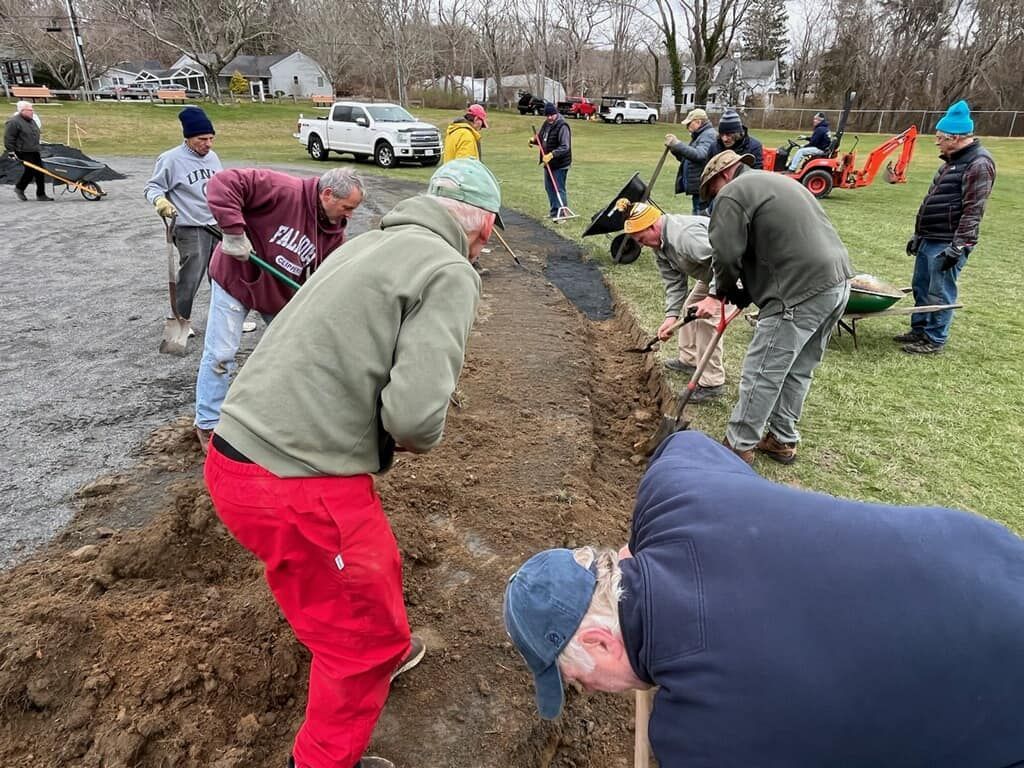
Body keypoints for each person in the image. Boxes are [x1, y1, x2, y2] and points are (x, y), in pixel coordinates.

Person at [204, 158, 501, 768]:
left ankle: (365, 638)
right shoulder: (450, 271)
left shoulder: (362, 245)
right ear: (485, 228)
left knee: (366, 572)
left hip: (235, 456)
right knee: (364, 642)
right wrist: (421, 421)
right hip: (297, 485)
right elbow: (414, 419)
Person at [504, 429, 1024, 768]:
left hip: (998, 696)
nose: (590, 692)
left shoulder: (702, 737)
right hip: (985, 553)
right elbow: (682, 444)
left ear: (600, 639)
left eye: (579, 679)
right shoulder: (673, 496)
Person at [692, 150, 852, 465]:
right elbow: (771, 246)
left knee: (762, 370)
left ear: (724, 176)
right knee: (798, 369)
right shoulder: (776, 182)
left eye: (712, 192)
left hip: (797, 291)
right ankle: (781, 439)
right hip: (838, 283)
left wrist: (720, 292)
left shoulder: (733, 193)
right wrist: (743, 294)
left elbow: (725, 254)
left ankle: (737, 447)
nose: (714, 200)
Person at [194, 166, 364, 451]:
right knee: (221, 353)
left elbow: (329, 277)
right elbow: (223, 182)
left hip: (277, 293)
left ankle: (281, 416)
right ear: (327, 194)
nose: (350, 215)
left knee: (295, 352)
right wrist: (234, 232)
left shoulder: (333, 233)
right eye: (347, 207)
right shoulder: (282, 189)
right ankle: (208, 423)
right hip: (236, 277)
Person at [896, 99, 996, 355]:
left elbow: (974, 209)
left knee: (939, 291)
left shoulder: (979, 164)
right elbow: (935, 200)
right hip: (931, 236)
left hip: (948, 240)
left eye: (940, 137)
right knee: (921, 286)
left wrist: (959, 245)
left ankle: (934, 339)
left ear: (955, 137)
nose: (936, 142)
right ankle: (919, 329)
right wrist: (919, 234)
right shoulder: (951, 162)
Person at [622, 199, 732, 401]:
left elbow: (726, 260)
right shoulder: (659, 245)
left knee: (708, 319)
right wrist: (670, 317)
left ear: (653, 226)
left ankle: (711, 383)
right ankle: (688, 359)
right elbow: (674, 283)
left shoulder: (685, 236)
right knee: (691, 308)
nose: (641, 244)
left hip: (733, 273)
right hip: (710, 273)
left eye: (641, 238)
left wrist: (714, 297)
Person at [143, 106, 223, 325]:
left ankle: (224, 319)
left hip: (216, 224)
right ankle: (179, 319)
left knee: (222, 274)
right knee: (191, 275)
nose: (208, 144)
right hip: (190, 226)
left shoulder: (212, 157)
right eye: (202, 139)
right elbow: (152, 188)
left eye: (211, 138)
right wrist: (160, 201)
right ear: (188, 138)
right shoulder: (170, 159)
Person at [665, 108, 718, 215]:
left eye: (689, 124)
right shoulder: (700, 135)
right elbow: (688, 159)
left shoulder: (708, 135)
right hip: (699, 188)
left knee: (700, 220)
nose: (687, 127)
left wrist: (678, 144)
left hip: (703, 189)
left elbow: (700, 155)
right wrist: (675, 149)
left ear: (698, 122)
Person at [529, 102, 572, 219]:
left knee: (558, 188)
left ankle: (563, 213)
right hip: (548, 163)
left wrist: (552, 154)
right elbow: (543, 138)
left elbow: (565, 146)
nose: (549, 118)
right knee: (549, 187)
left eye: (551, 115)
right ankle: (554, 212)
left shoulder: (562, 126)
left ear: (556, 113)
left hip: (560, 163)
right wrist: (534, 140)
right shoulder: (546, 124)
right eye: (547, 116)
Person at [4, 101, 52, 202]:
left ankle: (39, 194)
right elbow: (9, 138)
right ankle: (21, 189)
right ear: (22, 111)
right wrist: (11, 151)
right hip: (23, 151)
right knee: (31, 170)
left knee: (40, 171)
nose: (32, 112)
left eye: (32, 110)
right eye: (29, 110)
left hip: (34, 149)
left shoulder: (31, 120)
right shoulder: (14, 122)